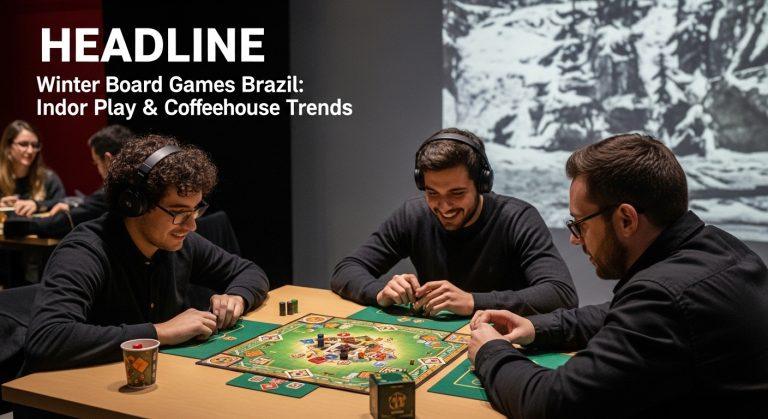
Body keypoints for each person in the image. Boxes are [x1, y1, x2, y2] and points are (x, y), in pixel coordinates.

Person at [469, 133, 768, 418]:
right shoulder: (719, 247)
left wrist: (490, 351)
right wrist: (537, 327)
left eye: (580, 224)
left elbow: (552, 404)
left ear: (626, 219)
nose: (575, 239)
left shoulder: (661, 298)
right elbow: (617, 312)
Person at [23, 135, 270, 372]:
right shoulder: (85, 251)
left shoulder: (180, 242)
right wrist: (160, 332)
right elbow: (47, 338)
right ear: (134, 204)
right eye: (178, 212)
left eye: (195, 211)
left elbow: (248, 271)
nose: (191, 226)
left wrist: (237, 297)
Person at [331, 128, 577, 317]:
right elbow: (346, 270)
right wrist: (380, 293)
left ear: (482, 184)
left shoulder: (517, 217)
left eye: (457, 194)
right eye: (432, 193)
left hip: (500, 339)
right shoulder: (413, 215)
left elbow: (561, 294)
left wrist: (472, 301)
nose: (444, 207)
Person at [32, 124, 134, 238]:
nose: (98, 170)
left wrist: (15, 224)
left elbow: (53, 225)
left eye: (96, 163)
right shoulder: (138, 181)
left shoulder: (114, 191)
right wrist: (71, 206)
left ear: (108, 160)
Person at [0, 120, 65, 216]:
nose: (30, 151)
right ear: (8, 147)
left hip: (38, 230)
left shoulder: (48, 178)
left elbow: (63, 204)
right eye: (23, 144)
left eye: (35, 145)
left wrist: (37, 205)